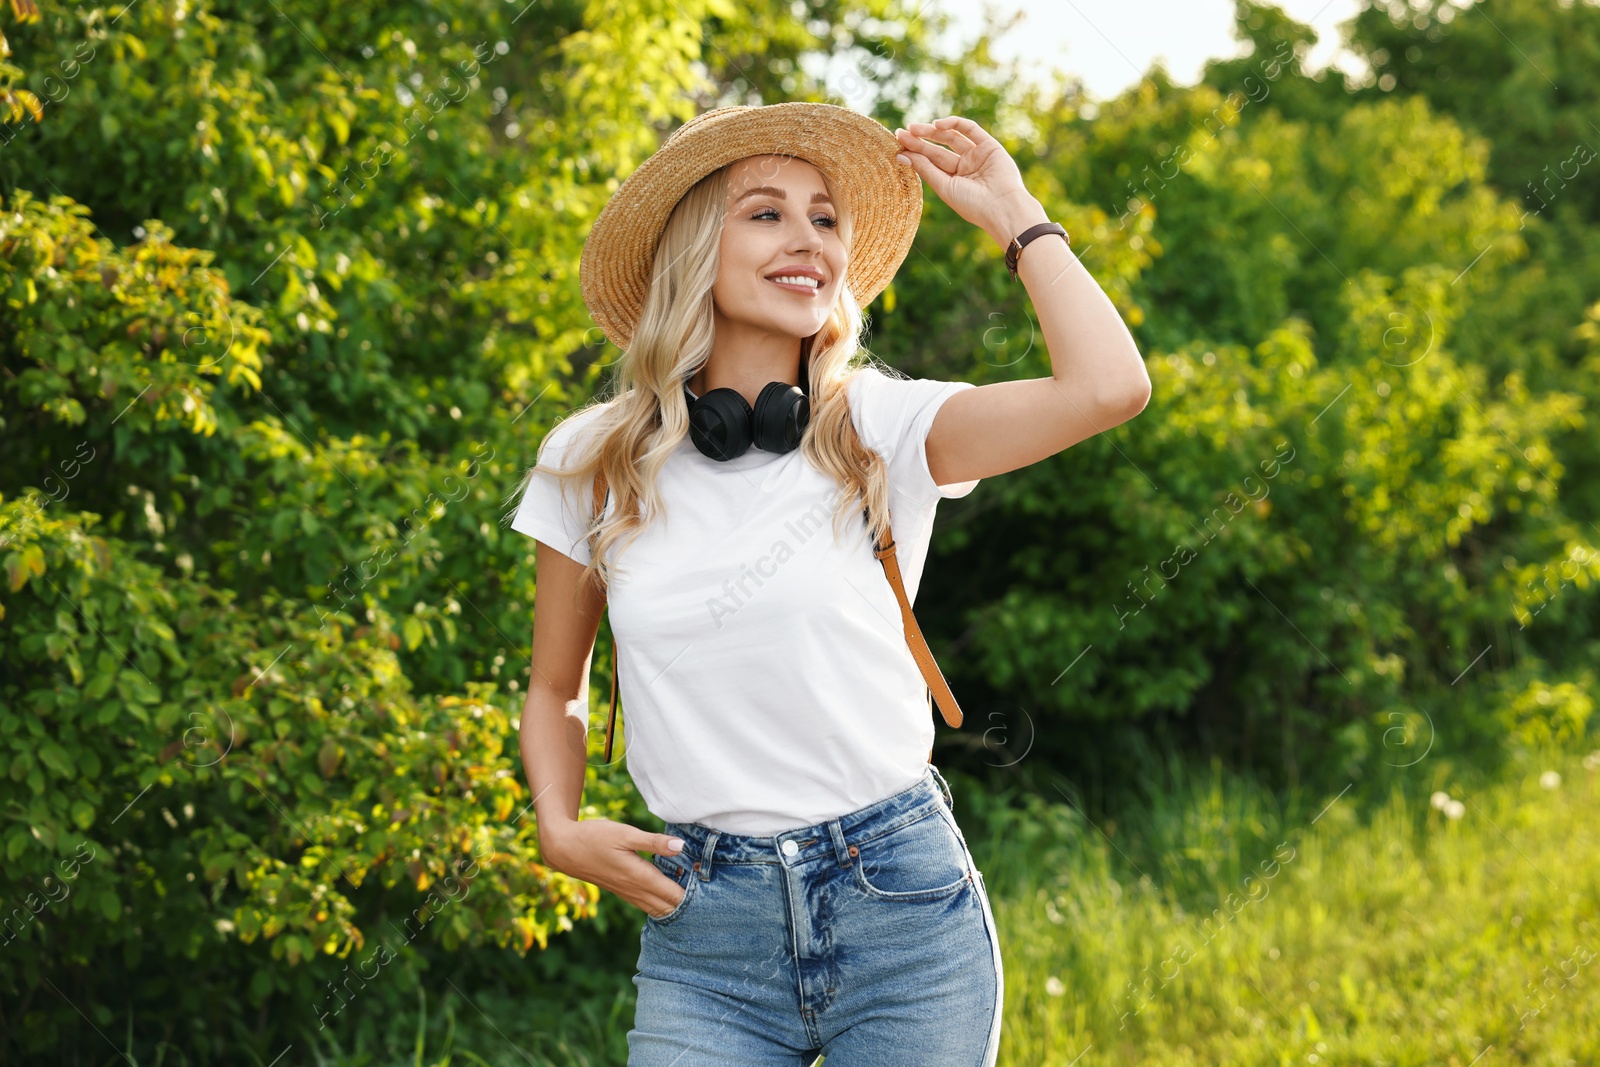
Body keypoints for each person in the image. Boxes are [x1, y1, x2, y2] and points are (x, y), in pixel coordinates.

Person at [506, 101, 1148, 1066]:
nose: (808, 239)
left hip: (902, 907)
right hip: (706, 931)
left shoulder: (880, 425)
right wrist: (555, 825)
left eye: (825, 217)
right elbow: (556, 685)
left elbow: (1108, 387)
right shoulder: (593, 460)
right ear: (693, 249)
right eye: (765, 213)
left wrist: (1017, 215)